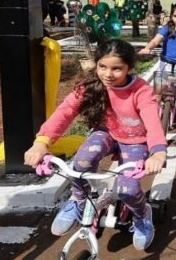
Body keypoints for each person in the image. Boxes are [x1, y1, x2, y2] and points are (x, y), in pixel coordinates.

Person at [23, 39, 165, 250]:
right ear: (96, 64)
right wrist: (42, 142)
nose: (108, 74)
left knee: (128, 189)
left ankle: (142, 215)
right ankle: (78, 199)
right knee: (81, 163)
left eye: (117, 68)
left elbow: (153, 122)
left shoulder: (140, 91)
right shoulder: (91, 86)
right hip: (107, 132)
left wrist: (157, 152)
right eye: (103, 66)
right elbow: (65, 111)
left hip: (136, 139)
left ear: (129, 68)